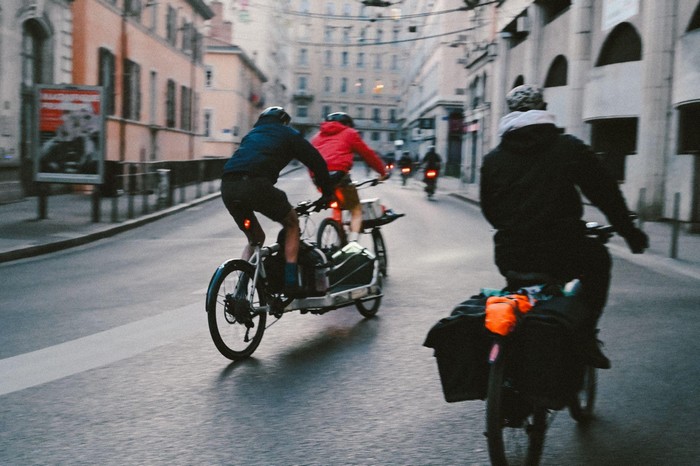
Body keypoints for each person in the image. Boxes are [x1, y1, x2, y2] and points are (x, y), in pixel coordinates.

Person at [480, 84, 649, 369]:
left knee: (517, 292)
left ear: (509, 114)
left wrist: (518, 225)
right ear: (544, 109)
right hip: (564, 251)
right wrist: (628, 232)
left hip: (511, 255)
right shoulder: (568, 148)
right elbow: (604, 192)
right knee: (598, 261)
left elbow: (491, 212)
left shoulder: (493, 159)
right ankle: (586, 336)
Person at [221, 106, 334, 295]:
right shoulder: (287, 134)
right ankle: (291, 283)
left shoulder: (251, 135)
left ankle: (240, 291)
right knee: (291, 223)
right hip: (256, 184)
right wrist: (327, 192)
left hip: (228, 186)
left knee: (255, 238)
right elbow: (316, 161)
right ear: (284, 122)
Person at [311, 112, 388, 242]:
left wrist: (315, 178)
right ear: (347, 124)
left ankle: (336, 229)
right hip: (339, 176)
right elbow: (368, 154)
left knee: (335, 202)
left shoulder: (316, 137)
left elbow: (310, 159)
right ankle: (352, 245)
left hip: (319, 178)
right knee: (356, 210)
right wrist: (382, 172)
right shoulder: (349, 133)